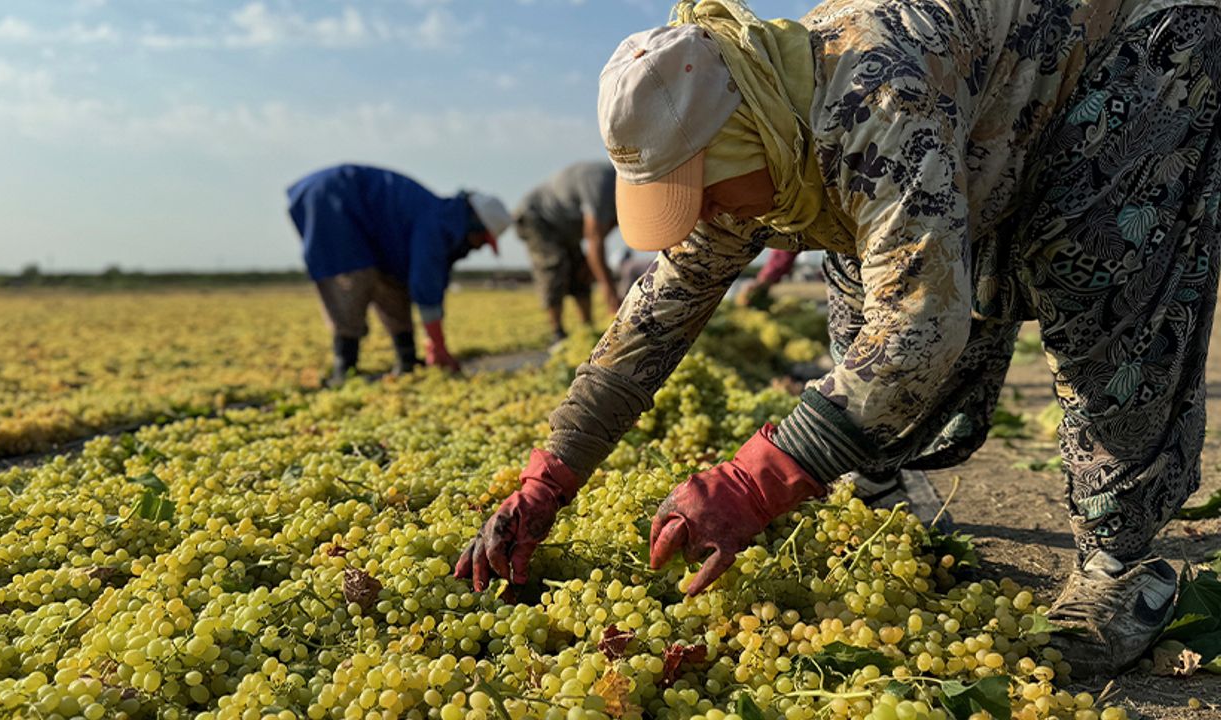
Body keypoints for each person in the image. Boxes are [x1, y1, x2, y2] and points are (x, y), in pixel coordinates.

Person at [457, 0, 1221, 678]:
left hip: (1125, 56)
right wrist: (546, 482)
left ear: (747, 141)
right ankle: (885, 468)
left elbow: (921, 322)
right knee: (871, 330)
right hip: (991, 104)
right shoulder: (756, 129)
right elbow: (652, 322)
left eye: (708, 189)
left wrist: (755, 480)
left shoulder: (877, 97)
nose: (707, 214)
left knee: (1097, 273)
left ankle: (1123, 559)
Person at [286, 164, 511, 385]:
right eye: (482, 240)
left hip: (351, 208)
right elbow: (425, 283)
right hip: (334, 199)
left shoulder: (440, 218)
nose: (478, 248)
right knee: (350, 278)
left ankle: (407, 360)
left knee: (391, 282)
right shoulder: (437, 225)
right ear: (474, 224)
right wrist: (438, 346)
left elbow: (409, 280)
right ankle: (344, 368)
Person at [513, 161, 621, 342]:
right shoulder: (602, 185)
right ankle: (557, 334)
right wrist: (611, 296)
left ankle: (587, 330)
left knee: (581, 271)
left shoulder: (624, 196)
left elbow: (605, 230)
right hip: (537, 217)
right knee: (553, 266)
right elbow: (595, 239)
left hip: (567, 224)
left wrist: (589, 262)